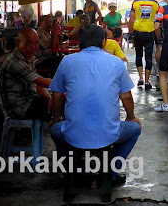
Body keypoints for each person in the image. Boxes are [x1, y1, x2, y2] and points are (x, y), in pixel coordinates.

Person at [49, 24, 142, 183]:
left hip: (73, 133)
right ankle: (110, 174)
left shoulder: (67, 61)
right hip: (108, 134)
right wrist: (132, 117)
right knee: (135, 128)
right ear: (104, 42)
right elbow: (126, 97)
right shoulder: (116, 62)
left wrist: (56, 118)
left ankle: (75, 170)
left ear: (79, 42)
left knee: (55, 130)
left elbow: (57, 95)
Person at [0, 27, 52, 120]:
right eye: (28, 43)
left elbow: (37, 84)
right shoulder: (15, 62)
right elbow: (42, 82)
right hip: (19, 110)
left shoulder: (27, 58)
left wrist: (49, 97)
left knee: (54, 99)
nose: (33, 47)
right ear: (18, 43)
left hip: (27, 102)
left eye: (36, 43)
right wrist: (67, 82)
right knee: (60, 102)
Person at [127, 0, 160, 89]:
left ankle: (140, 78)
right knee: (148, 56)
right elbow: (158, 19)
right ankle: (147, 81)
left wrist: (130, 33)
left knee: (138, 55)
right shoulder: (155, 4)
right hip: (150, 32)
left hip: (138, 32)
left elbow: (131, 19)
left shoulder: (135, 3)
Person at [153, 0, 168, 77]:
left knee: (158, 48)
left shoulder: (157, 5)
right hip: (164, 27)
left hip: (155, 26)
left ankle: (159, 69)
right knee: (167, 49)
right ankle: (166, 69)